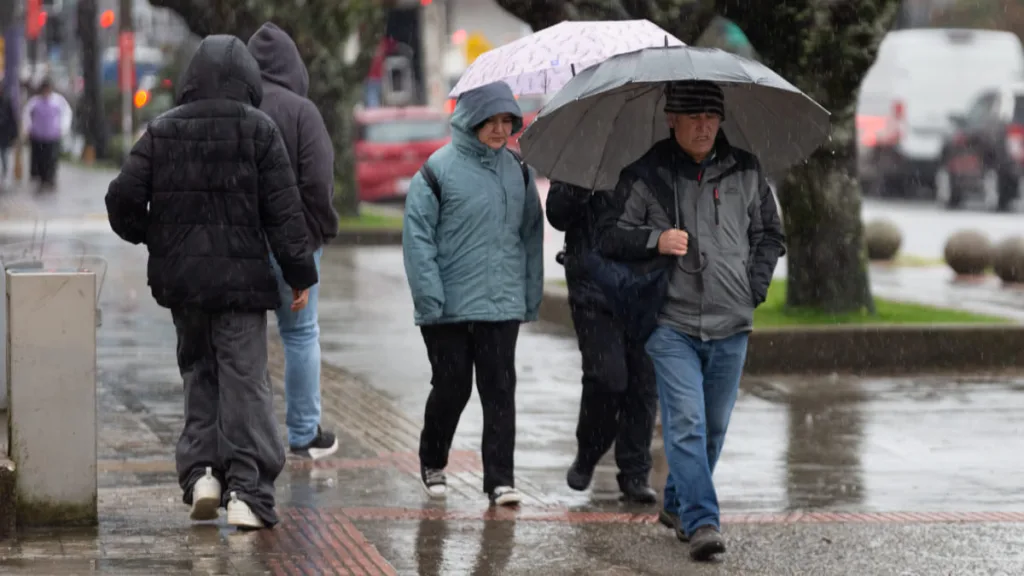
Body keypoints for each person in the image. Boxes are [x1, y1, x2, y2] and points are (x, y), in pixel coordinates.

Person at [105, 35, 318, 530]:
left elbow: (121, 200)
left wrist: (155, 235)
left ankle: (202, 472)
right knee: (245, 384)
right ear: (248, 79)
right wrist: (300, 273)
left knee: (199, 374)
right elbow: (285, 214)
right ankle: (248, 490)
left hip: (184, 285)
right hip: (241, 286)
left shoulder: (161, 131)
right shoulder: (260, 130)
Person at [596, 80, 786, 561]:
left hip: (732, 320)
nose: (704, 126)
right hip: (669, 321)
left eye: (711, 117)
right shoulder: (646, 174)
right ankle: (703, 522)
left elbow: (769, 234)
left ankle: (677, 504)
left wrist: (754, 288)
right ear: (671, 120)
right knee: (687, 424)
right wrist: (655, 240)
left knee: (714, 427)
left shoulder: (746, 169)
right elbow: (610, 236)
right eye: (693, 117)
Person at [402, 81, 544, 507]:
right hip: (446, 308)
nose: (501, 130)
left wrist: (529, 294)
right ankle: (432, 458)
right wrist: (430, 298)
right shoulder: (435, 171)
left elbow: (531, 236)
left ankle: (500, 479)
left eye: (508, 121)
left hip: (501, 303)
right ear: (471, 120)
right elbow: (418, 238)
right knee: (452, 386)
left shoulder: (519, 171)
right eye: (493, 121)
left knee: (500, 389)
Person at [248, 22, 341, 460]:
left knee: (243, 340)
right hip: (294, 244)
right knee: (301, 336)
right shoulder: (303, 112)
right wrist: (318, 231)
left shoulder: (237, 106)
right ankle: (304, 434)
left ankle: (249, 434)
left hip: (243, 244)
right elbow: (318, 183)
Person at [545, 180, 658, 503]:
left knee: (644, 382)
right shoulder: (584, 153)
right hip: (593, 288)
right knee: (607, 378)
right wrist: (582, 187)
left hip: (646, 286)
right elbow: (557, 215)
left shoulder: (657, 153)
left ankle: (635, 471)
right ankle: (589, 451)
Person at [21, 78, 72, 191]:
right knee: (40, 158)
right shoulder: (35, 101)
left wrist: (63, 128)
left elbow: (66, 113)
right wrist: (27, 128)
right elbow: (26, 115)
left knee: (51, 158)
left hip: (52, 135)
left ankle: (50, 178)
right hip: (38, 135)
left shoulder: (58, 101)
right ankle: (42, 178)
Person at [0, 83, 18, 187]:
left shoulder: (7, 101)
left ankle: (5, 176)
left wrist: (14, 135)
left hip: (4, 135)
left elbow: (12, 119)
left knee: (5, 156)